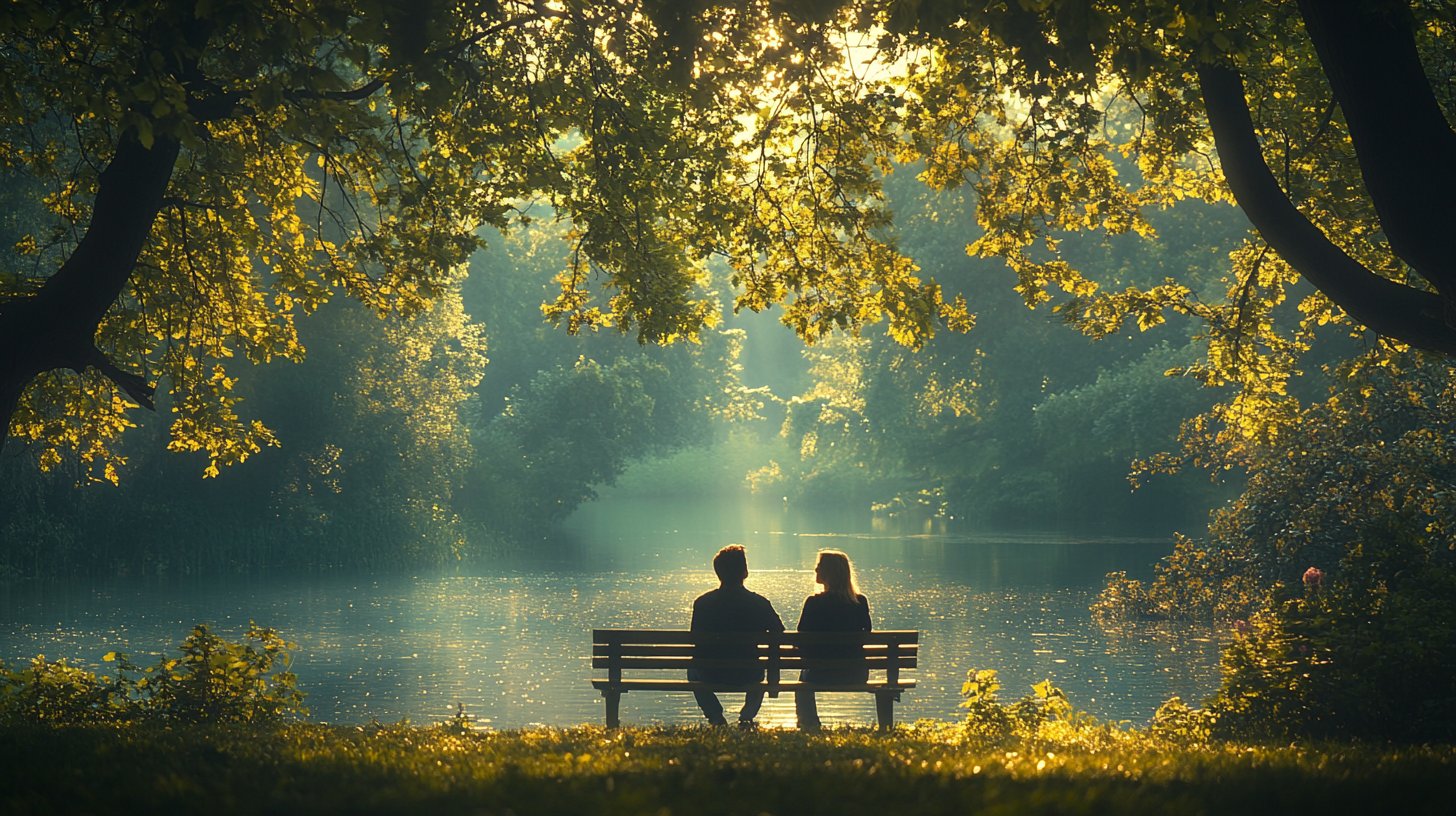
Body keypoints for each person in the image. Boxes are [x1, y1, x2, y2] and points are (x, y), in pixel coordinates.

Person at [688, 544, 785, 727]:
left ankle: (715, 717)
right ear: (745, 572)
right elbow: (779, 632)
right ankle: (747, 717)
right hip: (748, 673)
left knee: (692, 670)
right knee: (760, 670)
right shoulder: (759, 603)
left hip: (711, 673)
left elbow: (695, 638)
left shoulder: (703, 603)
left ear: (718, 572)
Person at [795, 549, 871, 731]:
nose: (815, 569)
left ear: (829, 572)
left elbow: (800, 637)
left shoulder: (814, 603)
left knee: (801, 683)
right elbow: (866, 634)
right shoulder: (859, 602)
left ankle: (809, 724)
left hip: (819, 674)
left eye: (819, 566)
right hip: (855, 673)